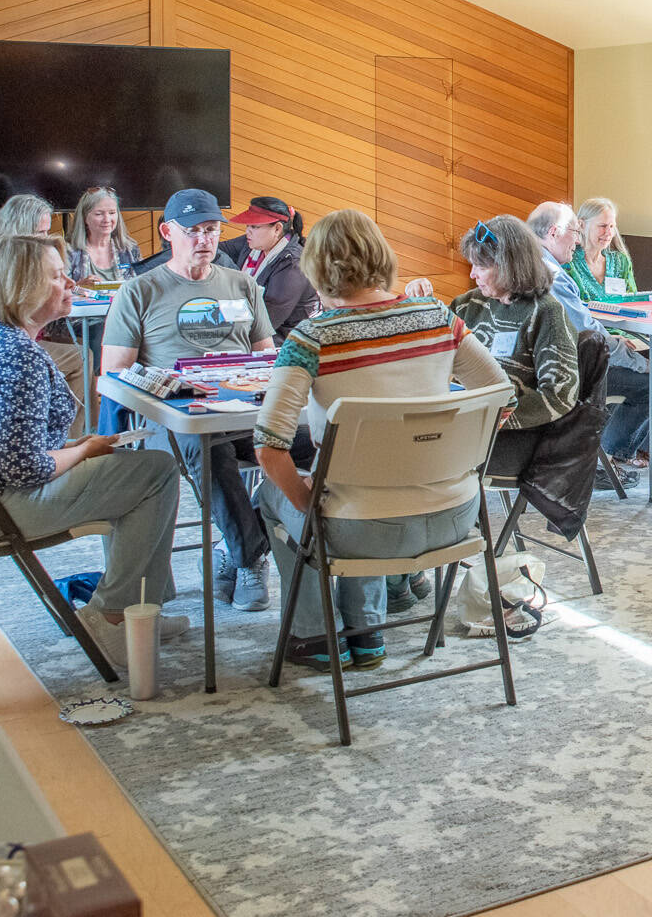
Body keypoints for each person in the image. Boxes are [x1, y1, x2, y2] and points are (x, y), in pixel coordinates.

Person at [251, 210, 512, 672]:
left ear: (315, 267)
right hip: (457, 514)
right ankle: (365, 632)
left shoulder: (310, 339)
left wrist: (305, 499)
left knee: (280, 495)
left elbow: (269, 447)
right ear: (381, 256)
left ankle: (317, 637)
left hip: (359, 531)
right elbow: (502, 396)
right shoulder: (437, 317)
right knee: (353, 482)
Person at [0, 233, 186, 666]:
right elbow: (26, 468)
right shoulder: (19, 357)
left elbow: (5, 446)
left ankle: (136, 610)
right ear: (22, 287)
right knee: (157, 472)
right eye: (56, 276)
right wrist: (85, 452)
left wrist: (80, 447)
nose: (71, 282)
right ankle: (114, 615)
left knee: (134, 473)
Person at [100, 188, 277, 612]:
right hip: (177, 420)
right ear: (167, 233)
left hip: (245, 412)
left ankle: (232, 548)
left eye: (211, 230)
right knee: (212, 453)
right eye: (193, 231)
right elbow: (112, 376)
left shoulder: (242, 285)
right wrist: (173, 385)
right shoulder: (139, 291)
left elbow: (268, 356)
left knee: (325, 447)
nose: (204, 241)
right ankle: (251, 558)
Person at [534, 200, 652, 468]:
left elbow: (626, 304)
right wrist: (633, 358)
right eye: (574, 232)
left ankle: (636, 448)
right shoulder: (559, 274)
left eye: (612, 226)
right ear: (553, 233)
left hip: (566, 357)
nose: (577, 240)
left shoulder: (540, 266)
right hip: (573, 367)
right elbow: (587, 330)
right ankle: (607, 455)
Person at [450, 216, 582, 480]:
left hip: (518, 439)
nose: (472, 274)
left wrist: (490, 418)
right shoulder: (467, 305)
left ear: (508, 266)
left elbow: (559, 395)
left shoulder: (546, 312)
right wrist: (423, 303)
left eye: (480, 266)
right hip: (465, 426)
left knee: (422, 458)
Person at [0, 193, 87, 420]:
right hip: (9, 351)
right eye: (40, 233)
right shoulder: (21, 359)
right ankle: (78, 430)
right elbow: (22, 454)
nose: (45, 239)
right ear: (21, 229)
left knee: (76, 346)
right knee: (82, 355)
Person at [218, 196, 319, 342]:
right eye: (248, 226)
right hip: (256, 330)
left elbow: (266, 324)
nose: (248, 231)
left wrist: (220, 312)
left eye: (254, 226)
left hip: (286, 343)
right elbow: (216, 250)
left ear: (277, 229)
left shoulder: (293, 266)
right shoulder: (253, 244)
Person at [564, 196, 639, 300]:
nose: (609, 233)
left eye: (612, 226)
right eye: (603, 226)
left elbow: (633, 301)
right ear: (581, 225)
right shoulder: (568, 261)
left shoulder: (621, 262)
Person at [64, 186, 141, 284]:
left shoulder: (129, 249)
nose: (107, 219)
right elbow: (59, 292)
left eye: (112, 213)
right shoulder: (68, 251)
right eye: (99, 214)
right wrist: (79, 287)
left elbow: (141, 287)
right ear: (84, 217)